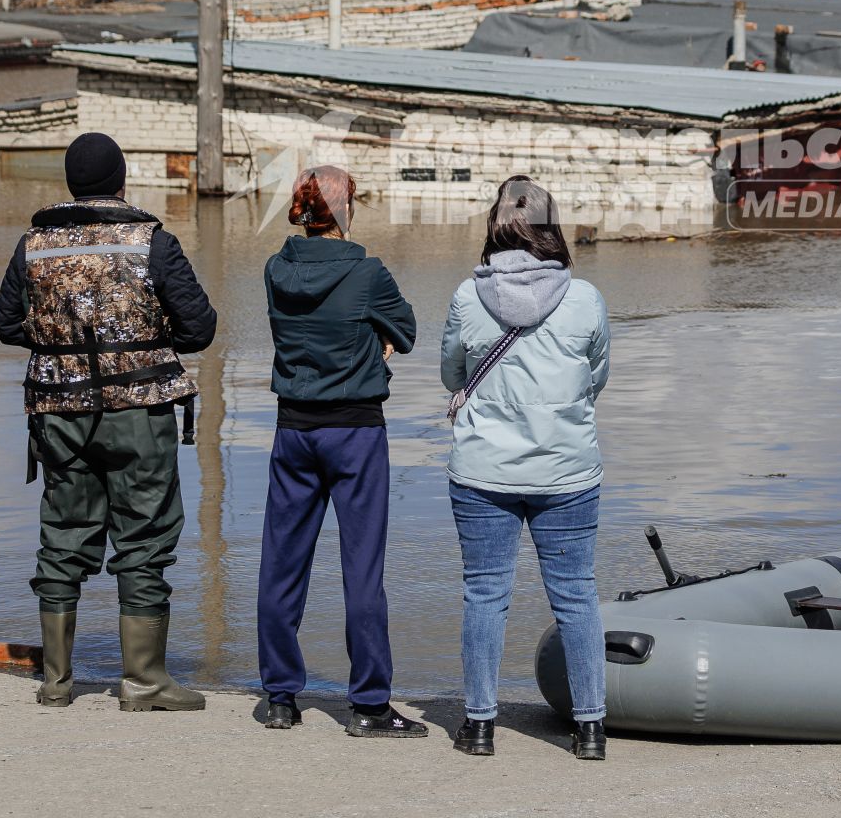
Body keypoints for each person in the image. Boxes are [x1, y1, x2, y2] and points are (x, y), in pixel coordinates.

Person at [0, 132, 217, 711]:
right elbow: (201, 328)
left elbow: (6, 324)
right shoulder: (151, 243)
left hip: (58, 414)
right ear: (121, 180)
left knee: (62, 536)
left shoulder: (33, 245)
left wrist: (61, 347)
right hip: (139, 413)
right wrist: (144, 344)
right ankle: (143, 682)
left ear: (70, 184)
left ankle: (56, 682)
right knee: (144, 537)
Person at [441, 176, 611, 760]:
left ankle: (480, 725)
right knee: (577, 597)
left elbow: (451, 373)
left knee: (485, 595)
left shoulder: (469, 296)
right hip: (567, 471)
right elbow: (597, 376)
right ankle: (590, 730)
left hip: (482, 470)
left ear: (495, 225)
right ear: (551, 227)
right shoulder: (585, 297)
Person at [256, 166, 424, 737]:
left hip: (293, 429)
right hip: (354, 430)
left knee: (281, 565)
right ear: (344, 210)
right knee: (362, 571)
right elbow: (406, 330)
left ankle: (280, 697)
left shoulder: (276, 268)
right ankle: (370, 706)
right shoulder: (368, 270)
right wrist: (374, 342)